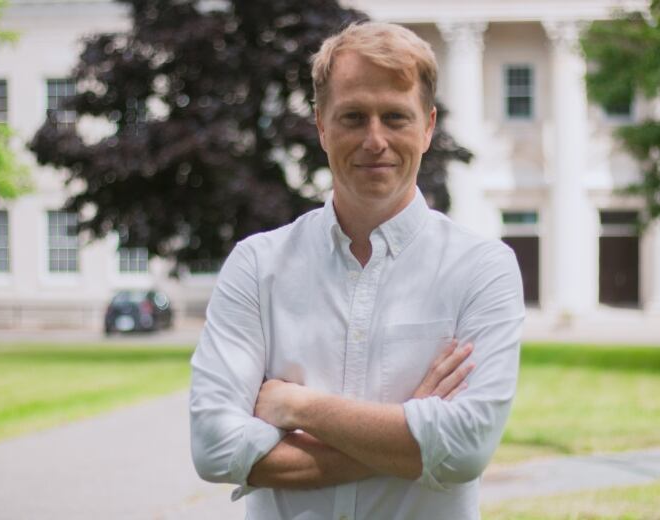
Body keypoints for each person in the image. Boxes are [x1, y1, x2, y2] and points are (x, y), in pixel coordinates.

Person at [190, 22, 524, 520]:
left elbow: (464, 449)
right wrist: (412, 437)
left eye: (395, 117)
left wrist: (297, 408)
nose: (375, 140)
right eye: (353, 117)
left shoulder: (482, 269)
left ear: (428, 127)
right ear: (321, 125)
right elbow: (214, 447)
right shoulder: (257, 266)